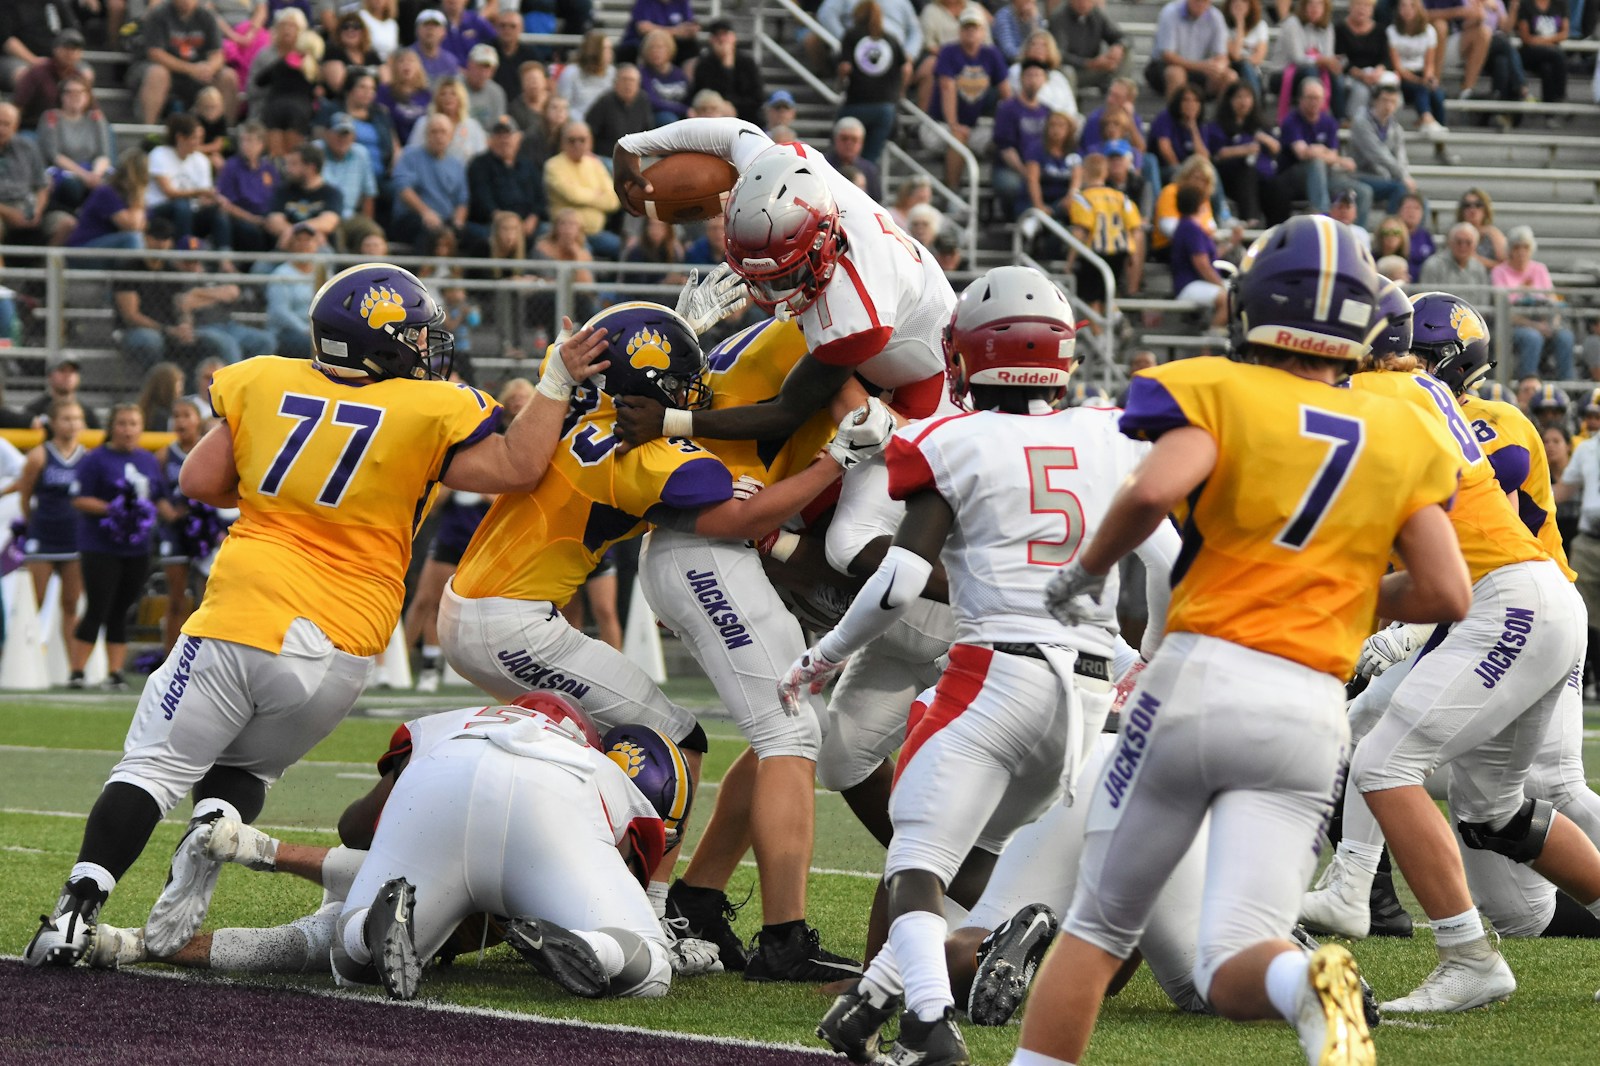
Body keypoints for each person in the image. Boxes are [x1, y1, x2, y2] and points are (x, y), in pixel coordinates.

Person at [23, 262, 614, 970]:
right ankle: (212, 832)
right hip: (346, 645)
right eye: (416, 336)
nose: (427, 349)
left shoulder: (259, 379)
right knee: (248, 769)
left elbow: (200, 482)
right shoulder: (435, 409)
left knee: (152, 767)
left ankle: (71, 917)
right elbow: (519, 466)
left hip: (245, 613)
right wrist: (555, 383)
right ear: (383, 343)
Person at [1020, 214, 1470, 1066]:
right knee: (1234, 965)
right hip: (1309, 712)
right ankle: (1313, 982)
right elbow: (1447, 590)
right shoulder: (1405, 430)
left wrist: (1084, 575)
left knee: (1098, 924)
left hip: (1200, 676)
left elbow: (1155, 491)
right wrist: (1342, 594)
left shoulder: (1216, 388)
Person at [804, 267, 1179, 1064]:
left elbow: (900, 581)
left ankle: (929, 1029)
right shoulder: (1112, 435)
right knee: (962, 852)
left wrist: (825, 655)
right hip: (1083, 698)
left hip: (992, 675)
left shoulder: (951, 438)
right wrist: (1149, 656)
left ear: (969, 355)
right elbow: (1170, 563)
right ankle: (870, 1004)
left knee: (914, 863)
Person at [1308, 290, 1600, 1012]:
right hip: (1531, 599)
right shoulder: (1419, 393)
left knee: (1382, 760)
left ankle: (1467, 956)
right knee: (1490, 811)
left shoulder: (1372, 393)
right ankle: (1364, 895)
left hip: (1506, 603)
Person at [68, 403, 176, 691]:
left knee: (122, 609)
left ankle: (115, 672)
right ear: (112, 427)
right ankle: (77, 671)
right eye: (122, 423)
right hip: (100, 545)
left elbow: (159, 498)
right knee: (98, 606)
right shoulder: (95, 459)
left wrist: (182, 516)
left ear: (141, 428)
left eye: (133, 424)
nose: (128, 429)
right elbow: (80, 498)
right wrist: (114, 510)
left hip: (137, 547)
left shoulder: (148, 460)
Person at [16, 395, 86, 662]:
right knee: (35, 600)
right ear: (53, 423)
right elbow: (25, 495)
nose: (73, 424)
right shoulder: (39, 455)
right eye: (67, 419)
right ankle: (23, 661)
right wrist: (33, 523)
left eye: (77, 419)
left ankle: (73, 667)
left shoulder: (87, 458)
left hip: (74, 538)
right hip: (44, 536)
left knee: (71, 604)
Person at [1274, 78, 1369, 222]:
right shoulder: (1291, 121)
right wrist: (1339, 159)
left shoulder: (1329, 122)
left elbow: (1331, 155)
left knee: (1363, 192)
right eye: (1310, 97)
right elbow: (1303, 153)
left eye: (1318, 98)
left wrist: (1320, 151)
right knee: (1316, 163)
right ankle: (1324, 218)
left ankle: (1357, 235)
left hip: (1323, 178)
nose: (1314, 102)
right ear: (1300, 99)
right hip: (1292, 178)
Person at [133, 0, 240, 127]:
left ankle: (225, 133)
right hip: (165, 71)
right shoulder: (159, 13)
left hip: (198, 74)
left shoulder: (207, 15)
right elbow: (155, 53)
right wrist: (191, 69)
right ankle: (148, 132)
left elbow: (218, 54)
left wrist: (209, 68)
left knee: (228, 76)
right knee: (157, 73)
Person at [1495, 227, 1575, 380]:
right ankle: (1527, 386)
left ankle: (1566, 387)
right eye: (1516, 247)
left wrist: (1553, 325)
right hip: (1515, 324)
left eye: (1525, 247)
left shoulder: (1540, 269)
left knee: (1565, 337)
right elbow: (1504, 311)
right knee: (1532, 338)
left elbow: (1553, 302)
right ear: (1509, 250)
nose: (1521, 251)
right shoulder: (1500, 271)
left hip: (1545, 321)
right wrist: (1536, 326)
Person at [147, 112, 232, 254]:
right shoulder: (159, 154)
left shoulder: (202, 161)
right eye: (194, 138)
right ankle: (184, 251)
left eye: (200, 138)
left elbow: (204, 197)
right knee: (182, 205)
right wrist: (200, 193)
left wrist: (214, 199)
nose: (199, 143)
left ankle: (225, 257)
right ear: (180, 138)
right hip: (160, 211)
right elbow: (169, 192)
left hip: (190, 212)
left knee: (217, 213)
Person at [837, 2, 908, 167]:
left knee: (841, 157)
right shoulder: (891, 38)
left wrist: (840, 85)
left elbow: (844, 68)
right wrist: (899, 92)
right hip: (885, 108)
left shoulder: (851, 35)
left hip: (856, 104)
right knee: (869, 162)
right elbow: (906, 68)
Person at [1067, 152, 1143, 305]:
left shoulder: (1082, 199)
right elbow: (1135, 229)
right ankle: (1115, 320)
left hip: (1094, 252)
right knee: (1110, 293)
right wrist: (1133, 254)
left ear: (1084, 172)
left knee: (1091, 298)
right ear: (1106, 172)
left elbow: (1081, 231)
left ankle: (1099, 329)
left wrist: (1070, 261)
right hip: (1119, 251)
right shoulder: (1122, 197)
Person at [543, 120, 622, 259]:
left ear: (590, 142)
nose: (577, 144)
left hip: (596, 233)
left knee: (624, 250)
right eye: (571, 140)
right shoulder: (553, 165)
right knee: (584, 256)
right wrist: (597, 195)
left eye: (582, 140)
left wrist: (582, 195)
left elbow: (613, 201)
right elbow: (572, 195)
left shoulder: (596, 164)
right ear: (562, 142)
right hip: (568, 234)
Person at [466, 115, 544, 251]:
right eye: (499, 135)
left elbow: (540, 198)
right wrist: (506, 224)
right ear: (490, 140)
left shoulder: (528, 165)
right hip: (491, 224)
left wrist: (533, 218)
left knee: (547, 231)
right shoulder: (479, 164)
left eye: (508, 134)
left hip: (527, 225)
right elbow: (481, 198)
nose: (504, 140)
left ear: (518, 138)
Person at [36, 74, 112, 214]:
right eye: (69, 92)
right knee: (71, 185)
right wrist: (84, 175)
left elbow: (104, 155)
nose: (74, 96)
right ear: (61, 96)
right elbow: (54, 155)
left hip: (92, 170)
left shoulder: (96, 117)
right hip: (63, 170)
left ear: (88, 95)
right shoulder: (51, 117)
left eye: (80, 92)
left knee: (114, 183)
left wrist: (95, 174)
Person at [391, 112, 468, 245]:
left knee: (475, 237)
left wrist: (458, 222)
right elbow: (403, 188)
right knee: (431, 235)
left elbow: (462, 200)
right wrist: (425, 212)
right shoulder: (410, 156)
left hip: (445, 220)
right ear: (426, 135)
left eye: (443, 132)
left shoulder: (456, 164)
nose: (439, 136)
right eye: (434, 132)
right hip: (413, 218)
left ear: (450, 136)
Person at [1211, 81, 1281, 226]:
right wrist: (1243, 150)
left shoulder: (1261, 125)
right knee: (1247, 172)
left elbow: (1276, 148)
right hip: (1231, 177)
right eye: (1239, 97)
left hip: (1262, 178)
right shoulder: (1218, 126)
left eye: (1247, 97)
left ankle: (1278, 229)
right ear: (1229, 101)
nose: (1243, 102)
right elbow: (1217, 154)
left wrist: (1264, 139)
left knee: (1279, 186)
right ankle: (1250, 221)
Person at [65, 145, 148, 265]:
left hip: (105, 249)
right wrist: (138, 192)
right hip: (81, 251)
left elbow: (141, 227)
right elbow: (133, 226)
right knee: (132, 239)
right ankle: (134, 282)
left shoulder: (134, 198)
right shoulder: (107, 192)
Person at [1348, 75, 1417, 218]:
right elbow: (1377, 154)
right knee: (1400, 188)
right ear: (1375, 101)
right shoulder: (1361, 123)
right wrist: (1402, 176)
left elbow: (1401, 157)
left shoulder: (1396, 128)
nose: (1388, 106)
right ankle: (1389, 229)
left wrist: (1405, 176)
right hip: (1360, 176)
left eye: (1392, 101)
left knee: (1417, 200)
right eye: (1385, 100)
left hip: (1384, 178)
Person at [1146, 0, 1237, 99]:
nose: (1200, 4)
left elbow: (1222, 55)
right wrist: (1201, 66)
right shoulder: (1170, 12)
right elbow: (1167, 55)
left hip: (1202, 69)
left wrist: (1219, 67)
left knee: (1230, 76)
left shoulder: (1216, 17)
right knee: (1176, 73)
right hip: (1165, 66)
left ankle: (1223, 113)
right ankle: (1174, 112)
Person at [1389, 0, 1451, 141]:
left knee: (1438, 95)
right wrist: (1420, 81)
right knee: (1421, 88)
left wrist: (1429, 78)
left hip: (1420, 73)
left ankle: (1440, 140)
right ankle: (1426, 119)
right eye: (1403, 6)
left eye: (1411, 6)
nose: (1407, 10)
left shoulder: (1429, 31)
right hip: (1401, 76)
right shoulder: (1391, 31)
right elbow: (1397, 66)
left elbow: (1429, 63)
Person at [264, 143, 343, 249]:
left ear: (311, 168)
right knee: (260, 266)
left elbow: (328, 222)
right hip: (287, 247)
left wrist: (293, 231)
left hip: (318, 248)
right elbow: (274, 221)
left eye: (293, 164)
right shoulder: (282, 190)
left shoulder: (331, 193)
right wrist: (298, 238)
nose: (287, 169)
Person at [689, 19, 763, 125]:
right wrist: (726, 68)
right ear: (711, 40)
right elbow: (701, 92)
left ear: (733, 38)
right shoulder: (704, 64)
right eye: (717, 36)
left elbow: (757, 98)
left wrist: (733, 105)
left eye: (725, 35)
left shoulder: (747, 63)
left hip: (745, 116)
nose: (722, 40)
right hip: (711, 116)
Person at [1050, 0, 1128, 94]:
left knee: (1127, 52)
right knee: (1067, 71)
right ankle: (1069, 107)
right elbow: (1059, 55)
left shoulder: (1096, 14)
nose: (1084, 4)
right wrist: (1087, 63)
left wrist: (1118, 47)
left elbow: (1122, 37)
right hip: (1072, 72)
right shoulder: (1059, 18)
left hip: (1095, 68)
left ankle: (1118, 96)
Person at [1337, 0, 1392, 119]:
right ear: (1350, 7)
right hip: (1350, 74)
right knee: (1361, 90)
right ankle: (1353, 121)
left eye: (1367, 6)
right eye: (1358, 5)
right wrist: (1361, 75)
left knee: (1390, 87)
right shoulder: (1339, 29)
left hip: (1374, 74)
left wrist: (1378, 71)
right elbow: (1340, 59)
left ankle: (1385, 122)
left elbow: (1386, 58)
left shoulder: (1380, 30)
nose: (1362, 9)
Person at [586, 63, 653, 160]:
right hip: (607, 157)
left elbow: (648, 130)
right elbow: (589, 131)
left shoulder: (643, 100)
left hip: (636, 157)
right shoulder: (605, 102)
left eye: (632, 81)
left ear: (638, 85)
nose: (628, 84)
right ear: (615, 83)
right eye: (624, 80)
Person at [1516, 0, 1569, 105]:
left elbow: (1564, 33)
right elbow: (1526, 38)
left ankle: (1549, 112)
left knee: (1547, 68)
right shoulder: (1525, 4)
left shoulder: (1560, 3)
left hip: (1550, 53)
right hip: (1530, 52)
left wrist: (1541, 41)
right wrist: (1551, 41)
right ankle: (1561, 95)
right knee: (1558, 55)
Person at [557, 29, 616, 121]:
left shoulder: (612, 73)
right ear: (594, 50)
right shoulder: (571, 73)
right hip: (577, 125)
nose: (610, 53)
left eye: (611, 48)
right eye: (606, 49)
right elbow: (564, 106)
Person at [1419, 221, 1490, 289]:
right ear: (1450, 242)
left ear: (1475, 245)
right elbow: (1427, 299)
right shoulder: (1433, 265)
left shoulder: (1479, 268)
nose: (1463, 246)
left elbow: (1483, 299)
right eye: (1459, 242)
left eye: (1468, 242)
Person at [639, 30, 690, 125]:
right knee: (667, 118)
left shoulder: (679, 74)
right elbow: (652, 102)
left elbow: (689, 97)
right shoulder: (642, 73)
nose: (655, 51)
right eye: (651, 48)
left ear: (669, 49)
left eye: (660, 47)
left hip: (681, 115)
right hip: (658, 117)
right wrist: (684, 110)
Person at [1456, 186, 1507, 269]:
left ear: (1485, 210)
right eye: (1467, 205)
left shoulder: (1493, 234)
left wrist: (1476, 260)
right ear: (1462, 211)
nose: (1472, 209)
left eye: (1478, 205)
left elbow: (1506, 267)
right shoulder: (1455, 234)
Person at [410, 9, 462, 86]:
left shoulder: (450, 61)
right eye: (426, 24)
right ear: (417, 30)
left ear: (444, 32)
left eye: (435, 25)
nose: (430, 29)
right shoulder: (408, 57)